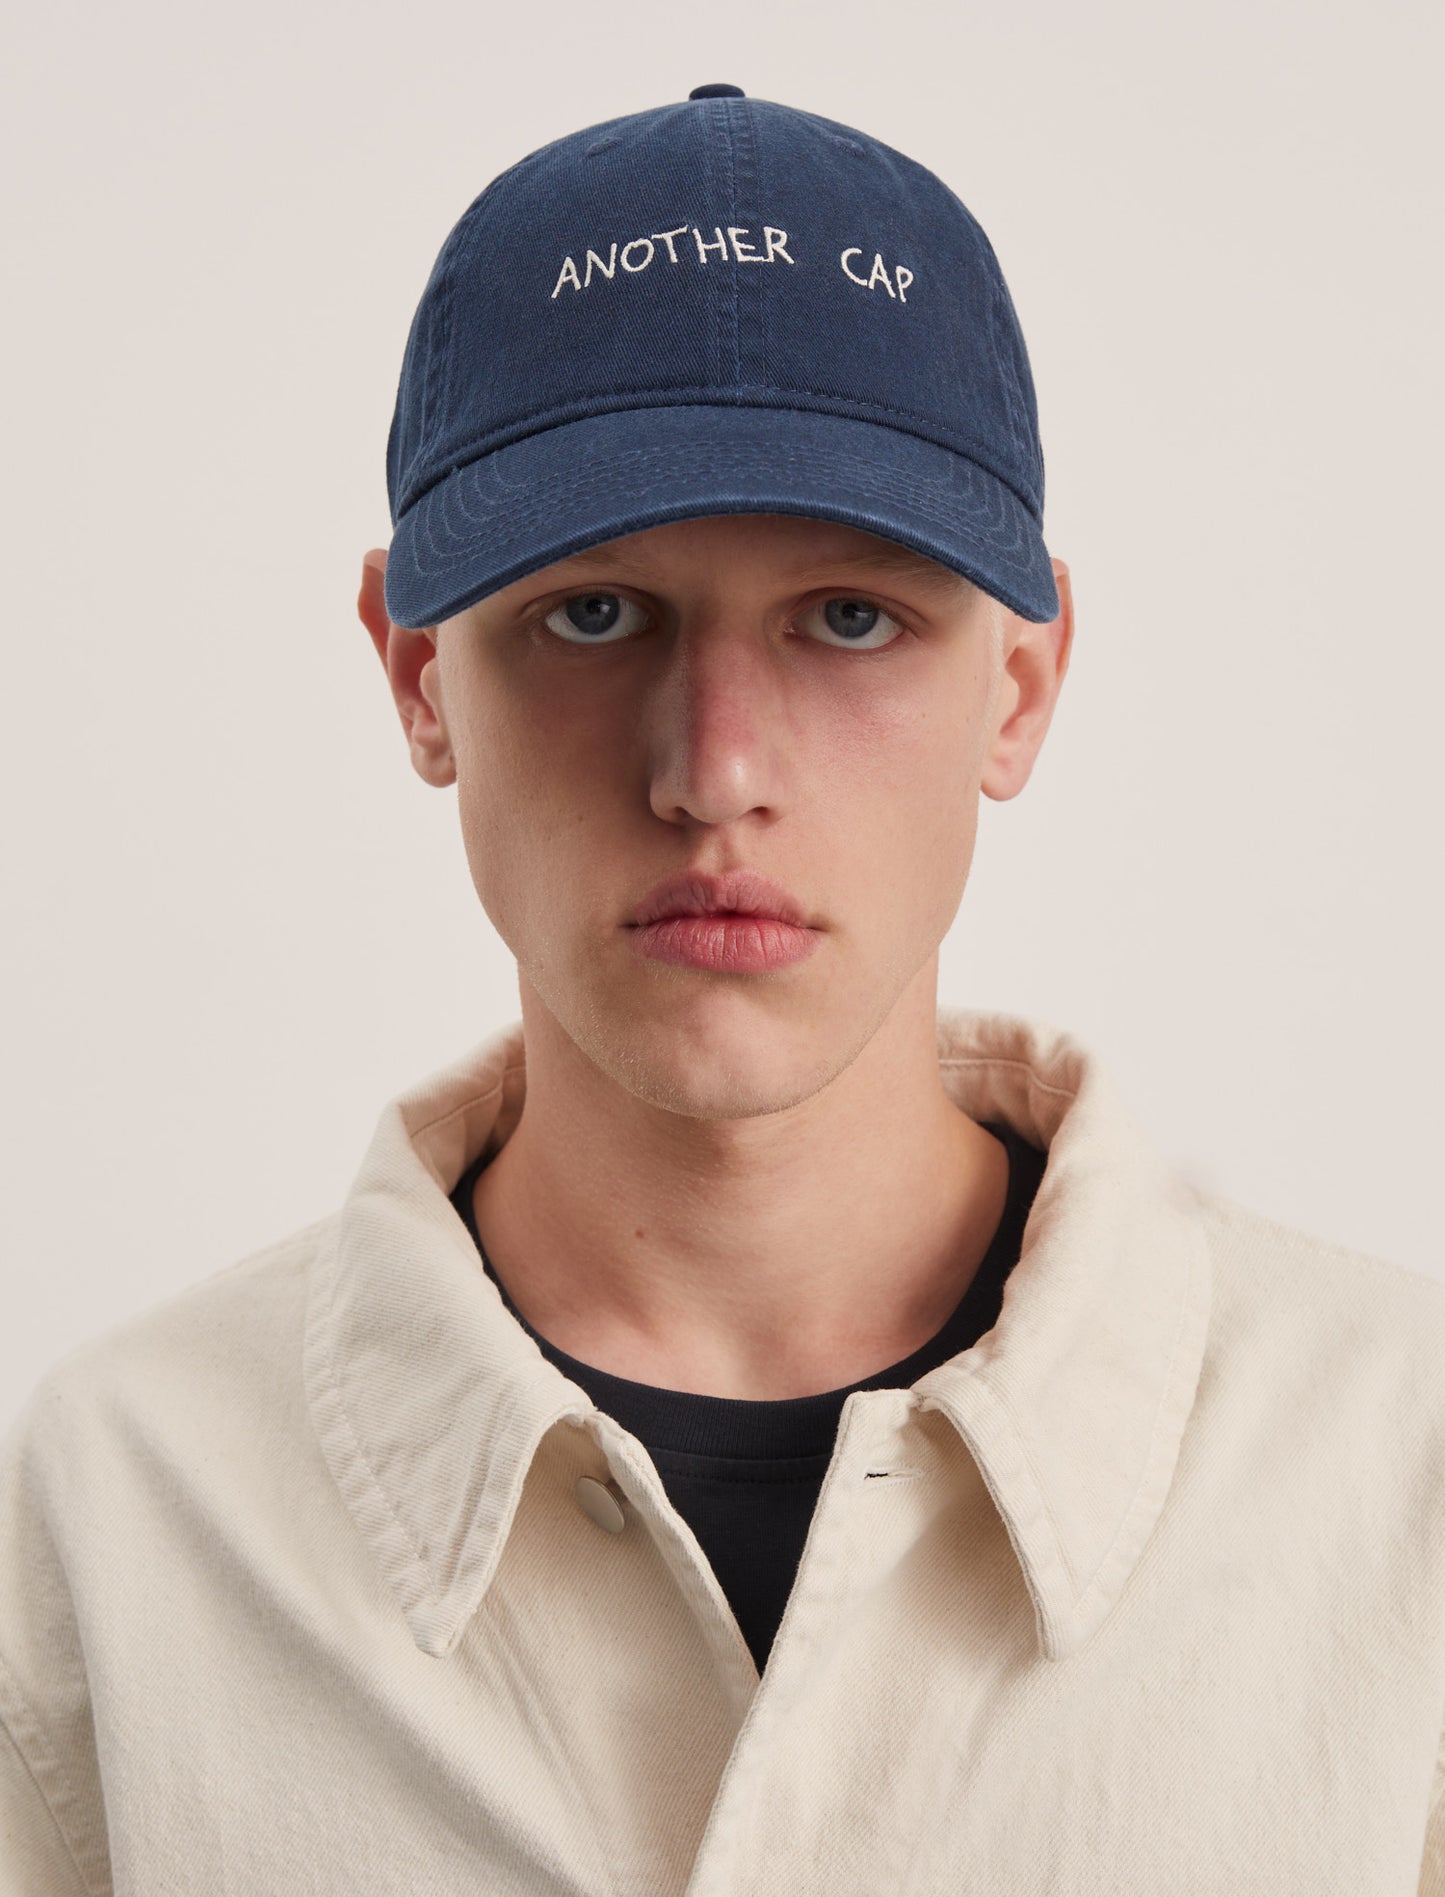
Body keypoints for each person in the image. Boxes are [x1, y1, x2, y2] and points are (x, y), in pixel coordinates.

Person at [2, 83, 1443, 1897]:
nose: (714, 771)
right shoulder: (121, 1517)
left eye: (849, 617)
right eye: (593, 614)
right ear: (418, 675)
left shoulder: (1399, 1480)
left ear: (1018, 688)